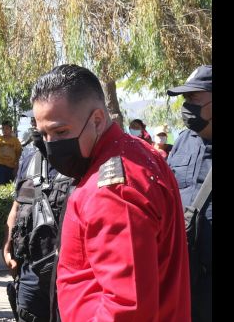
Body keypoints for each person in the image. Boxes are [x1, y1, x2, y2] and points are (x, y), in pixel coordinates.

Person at [31, 64, 190, 321]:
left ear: (97, 120)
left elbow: (127, 309)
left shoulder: (112, 190)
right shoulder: (137, 152)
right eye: (44, 135)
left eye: (60, 132)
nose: (51, 146)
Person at [3, 126, 74, 322]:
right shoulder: (30, 159)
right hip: (30, 270)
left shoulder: (82, 160)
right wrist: (7, 245)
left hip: (68, 272)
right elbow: (17, 207)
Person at [166, 65, 212, 321]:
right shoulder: (183, 141)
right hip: (183, 282)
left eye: (194, 97)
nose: (186, 105)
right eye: (185, 98)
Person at [0, 120, 22, 185]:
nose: (5, 130)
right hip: (0, 166)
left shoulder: (15, 140)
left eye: (7, 128)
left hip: (11, 167)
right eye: (3, 128)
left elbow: (18, 153)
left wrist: (16, 166)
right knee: (0, 185)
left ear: (11, 129)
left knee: (10, 185)